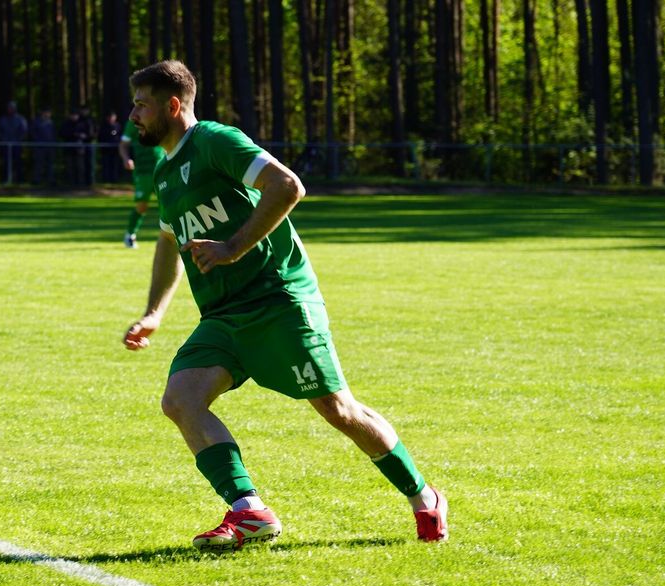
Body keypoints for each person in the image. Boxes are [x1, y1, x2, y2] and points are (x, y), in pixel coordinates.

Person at [121, 60, 448, 553]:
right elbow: (169, 244)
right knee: (180, 400)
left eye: (141, 105)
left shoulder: (215, 141)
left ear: (172, 105)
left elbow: (287, 186)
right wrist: (155, 313)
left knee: (338, 410)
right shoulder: (166, 170)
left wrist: (233, 246)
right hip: (225, 318)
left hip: (278, 299)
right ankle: (249, 511)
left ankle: (424, 496)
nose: (133, 116)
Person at [117, 114, 165, 248]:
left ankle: (175, 237)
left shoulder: (159, 118)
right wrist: (126, 159)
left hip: (161, 169)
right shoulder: (133, 123)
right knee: (141, 206)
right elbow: (123, 145)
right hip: (143, 171)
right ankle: (130, 235)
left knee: (168, 203)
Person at [0, 100, 29, 183]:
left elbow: (24, 132)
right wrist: (4, 140)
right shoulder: (3, 119)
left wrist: (18, 141)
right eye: (9, 108)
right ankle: (5, 180)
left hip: (17, 145)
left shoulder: (20, 119)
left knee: (18, 163)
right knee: (6, 163)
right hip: (5, 145)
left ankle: (19, 180)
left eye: (12, 108)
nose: (10, 109)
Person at [30, 107, 58, 187]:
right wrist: (38, 142)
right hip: (40, 147)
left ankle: (51, 180)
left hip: (50, 147)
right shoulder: (36, 122)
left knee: (50, 164)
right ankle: (37, 180)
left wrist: (53, 144)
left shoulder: (51, 122)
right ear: (43, 113)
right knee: (39, 164)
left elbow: (54, 135)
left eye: (49, 113)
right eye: (47, 112)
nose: (48, 114)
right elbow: (33, 133)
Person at [98, 111, 123, 183]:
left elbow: (121, 136)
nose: (112, 118)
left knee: (115, 165)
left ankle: (115, 179)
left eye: (113, 116)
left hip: (115, 149)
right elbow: (100, 137)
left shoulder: (118, 125)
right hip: (106, 150)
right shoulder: (103, 126)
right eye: (110, 117)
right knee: (106, 164)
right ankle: (106, 179)